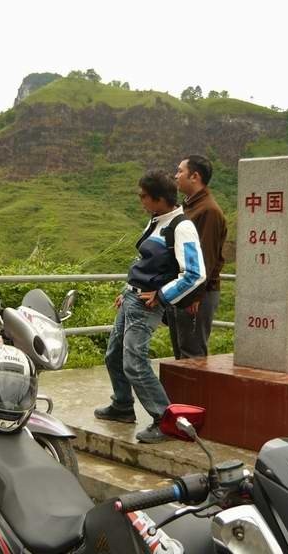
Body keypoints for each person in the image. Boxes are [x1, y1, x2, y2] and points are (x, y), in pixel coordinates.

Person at [95, 170, 206, 443]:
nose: (140, 200)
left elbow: (195, 273)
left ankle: (166, 420)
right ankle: (122, 406)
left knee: (135, 363)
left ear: (159, 198)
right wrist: (128, 289)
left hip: (148, 304)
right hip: (133, 299)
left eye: (143, 196)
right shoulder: (156, 221)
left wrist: (162, 296)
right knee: (113, 355)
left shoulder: (181, 226)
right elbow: (145, 262)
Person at [168, 155, 227, 359]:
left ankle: (195, 392)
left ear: (195, 176)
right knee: (181, 352)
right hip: (182, 289)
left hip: (195, 293)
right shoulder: (188, 206)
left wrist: (195, 295)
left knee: (192, 354)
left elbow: (207, 257)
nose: (176, 176)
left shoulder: (208, 211)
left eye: (180, 171)